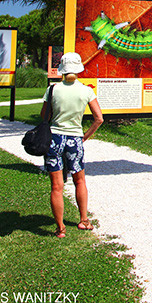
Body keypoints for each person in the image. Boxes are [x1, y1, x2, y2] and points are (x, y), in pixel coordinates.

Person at [41, 52, 104, 238]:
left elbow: (43, 115)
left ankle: (60, 228)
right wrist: (85, 136)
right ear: (78, 69)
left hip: (54, 138)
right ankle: (84, 220)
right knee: (80, 180)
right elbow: (99, 118)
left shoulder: (52, 90)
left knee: (56, 186)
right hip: (75, 139)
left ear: (62, 69)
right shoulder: (86, 91)